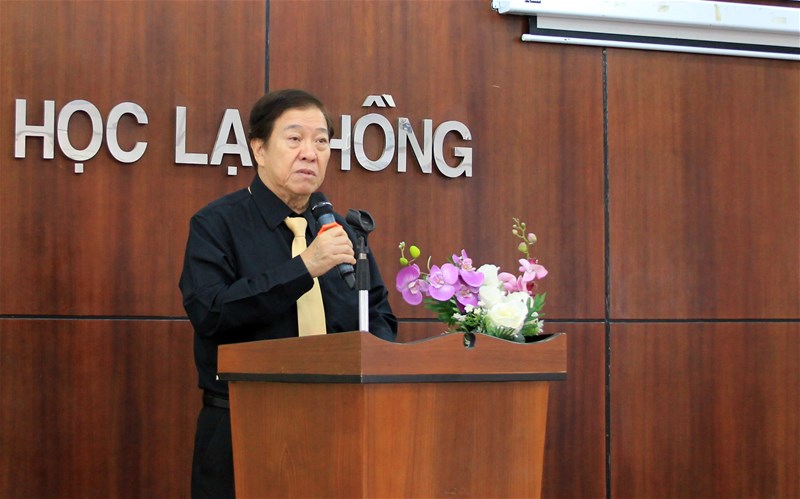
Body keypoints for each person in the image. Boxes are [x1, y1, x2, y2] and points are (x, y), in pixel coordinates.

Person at [179, 89, 398, 499]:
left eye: (321, 141)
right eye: (295, 139)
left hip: (341, 425)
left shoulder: (340, 231)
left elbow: (379, 317)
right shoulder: (216, 224)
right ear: (259, 149)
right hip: (244, 426)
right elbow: (210, 312)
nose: (310, 153)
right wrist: (304, 268)